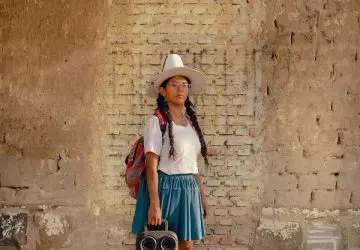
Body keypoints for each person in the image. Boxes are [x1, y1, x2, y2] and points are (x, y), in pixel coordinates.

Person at [132, 54, 209, 250]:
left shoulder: (190, 123)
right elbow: (151, 166)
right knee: (163, 245)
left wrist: (202, 197)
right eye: (174, 84)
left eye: (184, 84)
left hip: (189, 190)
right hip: (166, 189)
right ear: (163, 91)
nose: (180, 89)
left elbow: (192, 166)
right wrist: (155, 203)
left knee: (187, 247)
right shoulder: (156, 122)